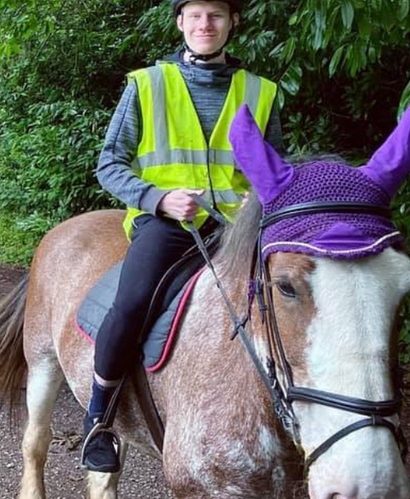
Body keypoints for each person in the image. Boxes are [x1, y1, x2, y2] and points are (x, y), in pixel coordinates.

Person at [80, 0, 285, 473]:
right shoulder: (148, 84)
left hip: (239, 228)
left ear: (233, 22)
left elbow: (273, 174)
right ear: (180, 23)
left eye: (215, 15)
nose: (204, 24)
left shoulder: (261, 92)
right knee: (131, 303)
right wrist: (158, 199)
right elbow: (109, 164)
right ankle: (99, 418)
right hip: (169, 224)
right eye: (195, 15)